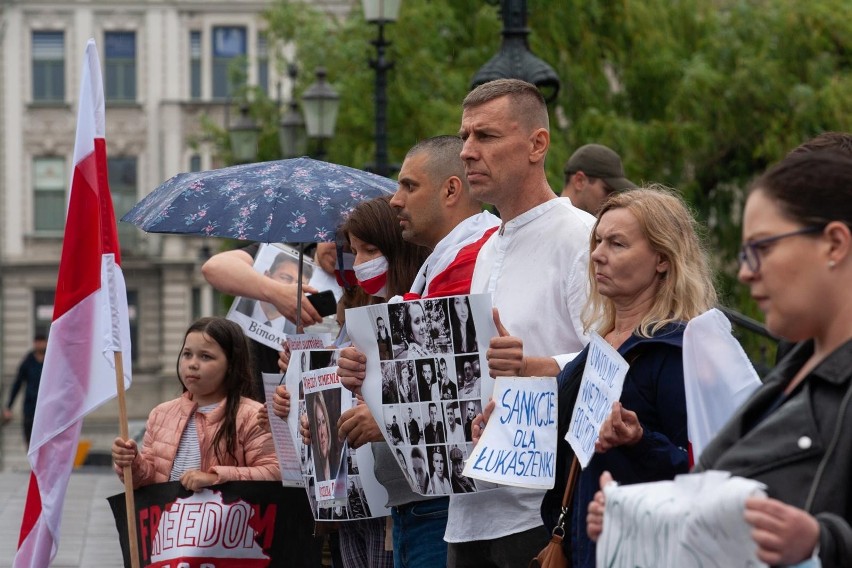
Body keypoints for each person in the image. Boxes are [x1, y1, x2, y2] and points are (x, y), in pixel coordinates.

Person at [588, 151, 852, 568]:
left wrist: (824, 539)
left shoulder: (685, 350)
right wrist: (635, 515)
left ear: (835, 244)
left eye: (763, 247)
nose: (746, 272)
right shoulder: (792, 373)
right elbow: (716, 500)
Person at [448, 78, 596, 568]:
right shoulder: (489, 246)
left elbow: (616, 363)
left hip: (540, 510)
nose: (467, 151)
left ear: (538, 144)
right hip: (469, 504)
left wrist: (537, 365)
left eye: (485, 137)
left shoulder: (581, 238)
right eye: (465, 136)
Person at [203, 244, 327, 567]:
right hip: (260, 433)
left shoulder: (356, 268)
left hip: (317, 436)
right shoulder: (273, 249)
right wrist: (278, 294)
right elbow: (215, 267)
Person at [111, 317, 280, 489]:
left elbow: (273, 472)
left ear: (231, 364)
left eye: (206, 357)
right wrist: (132, 463)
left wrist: (214, 478)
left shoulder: (253, 416)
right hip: (169, 515)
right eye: (187, 354)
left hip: (228, 515)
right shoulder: (160, 414)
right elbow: (149, 480)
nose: (192, 364)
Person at [234, 251, 313, 332]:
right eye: (285, 278)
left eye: (300, 285)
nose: (292, 288)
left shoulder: (298, 332)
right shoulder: (237, 304)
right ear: (267, 276)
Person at [560, 143, 636, 215]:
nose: (613, 199)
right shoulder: (549, 220)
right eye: (607, 190)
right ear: (579, 181)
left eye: (616, 193)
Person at [4, 334, 47, 447]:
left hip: (46, 408)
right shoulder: (28, 361)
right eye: (37, 342)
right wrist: (9, 407)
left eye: (42, 341)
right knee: (30, 442)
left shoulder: (51, 360)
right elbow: (17, 384)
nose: (40, 345)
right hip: (30, 408)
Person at [310, 391, 337, 482]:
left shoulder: (338, 470)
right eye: (318, 424)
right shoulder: (313, 478)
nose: (322, 433)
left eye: (323, 422)